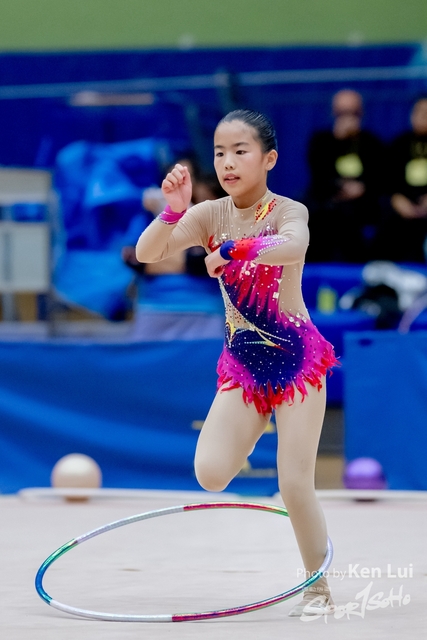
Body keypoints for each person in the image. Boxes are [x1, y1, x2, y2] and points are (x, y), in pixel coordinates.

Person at [136, 109, 339, 616]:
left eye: (240, 151)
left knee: (294, 483)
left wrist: (234, 249)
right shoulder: (208, 214)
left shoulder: (288, 210)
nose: (227, 162)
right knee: (210, 473)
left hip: (296, 364)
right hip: (244, 368)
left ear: (269, 158)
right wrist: (173, 212)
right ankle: (249, 429)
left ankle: (317, 590)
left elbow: (294, 245)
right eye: (220, 152)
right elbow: (146, 253)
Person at [306, 89, 386, 262]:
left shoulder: (371, 142)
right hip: (329, 200)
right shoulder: (322, 141)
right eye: (342, 113)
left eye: (353, 113)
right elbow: (318, 174)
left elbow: (379, 176)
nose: (348, 118)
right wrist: (338, 141)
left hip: (363, 202)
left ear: (361, 114)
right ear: (334, 114)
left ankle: (364, 264)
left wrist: (362, 188)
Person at [376, 96, 427, 262]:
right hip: (404, 201)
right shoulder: (398, 144)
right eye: (420, 112)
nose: (424, 117)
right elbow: (387, 180)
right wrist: (397, 199)